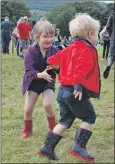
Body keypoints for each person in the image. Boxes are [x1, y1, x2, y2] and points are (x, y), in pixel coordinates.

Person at [37, 13, 101, 162]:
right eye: (97, 34)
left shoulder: (69, 48)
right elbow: (81, 68)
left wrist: (52, 63)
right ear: (91, 34)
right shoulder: (86, 49)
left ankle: (46, 148)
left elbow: (53, 59)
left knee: (65, 119)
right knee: (89, 117)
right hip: (74, 91)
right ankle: (78, 148)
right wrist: (78, 86)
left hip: (63, 92)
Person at [21, 19, 60, 138]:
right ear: (37, 37)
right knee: (27, 110)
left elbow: (61, 69)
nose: (49, 39)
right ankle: (27, 130)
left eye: (51, 36)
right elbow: (29, 70)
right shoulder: (30, 52)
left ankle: (54, 130)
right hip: (33, 82)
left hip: (48, 82)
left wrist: (57, 66)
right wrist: (39, 74)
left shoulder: (55, 51)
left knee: (47, 104)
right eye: (45, 36)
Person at [103, 9, 115, 78]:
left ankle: (109, 65)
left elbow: (107, 27)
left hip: (113, 37)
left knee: (111, 55)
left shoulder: (112, 14)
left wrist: (111, 35)